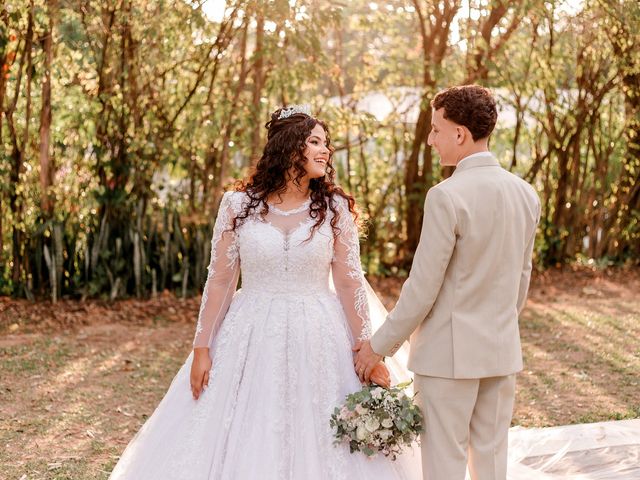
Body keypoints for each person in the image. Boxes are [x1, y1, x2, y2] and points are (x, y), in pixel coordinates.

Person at [108, 105, 420, 480]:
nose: (326, 151)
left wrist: (365, 349)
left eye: (327, 143)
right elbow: (221, 280)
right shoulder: (238, 206)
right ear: (290, 149)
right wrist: (202, 348)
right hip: (249, 330)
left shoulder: (334, 209)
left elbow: (350, 280)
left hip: (320, 332)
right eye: (316, 142)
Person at [354, 85, 541, 480]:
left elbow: (422, 288)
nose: (431, 139)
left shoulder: (446, 196)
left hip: (448, 357)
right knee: (491, 463)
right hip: (500, 349)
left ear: (460, 134)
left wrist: (378, 346)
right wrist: (498, 325)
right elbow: (521, 279)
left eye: (436, 129)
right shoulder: (526, 194)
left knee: (444, 466)